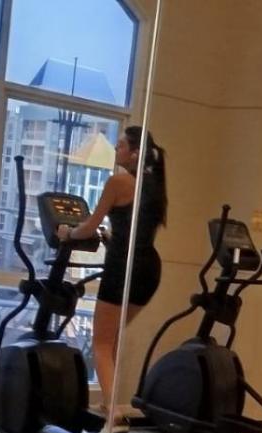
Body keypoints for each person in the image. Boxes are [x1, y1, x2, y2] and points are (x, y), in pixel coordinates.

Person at [57, 126, 167, 417]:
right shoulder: (154, 184)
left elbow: (88, 227)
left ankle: (114, 412)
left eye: (121, 146)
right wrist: (111, 237)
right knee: (113, 337)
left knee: (102, 342)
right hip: (150, 268)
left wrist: (68, 233)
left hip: (123, 268)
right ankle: (110, 404)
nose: (116, 149)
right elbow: (136, 230)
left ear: (135, 153)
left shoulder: (118, 181)